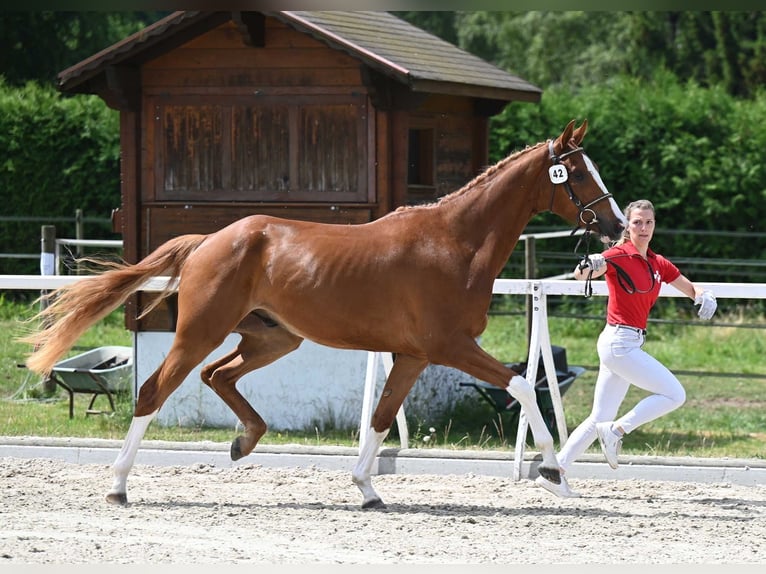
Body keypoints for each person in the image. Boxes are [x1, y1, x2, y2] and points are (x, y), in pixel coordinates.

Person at [535, 199, 718, 498]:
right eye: (637, 223)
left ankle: (555, 473)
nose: (643, 228)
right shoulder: (619, 254)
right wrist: (589, 264)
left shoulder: (658, 263)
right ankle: (618, 431)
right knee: (674, 394)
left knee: (598, 417)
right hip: (619, 343)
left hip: (623, 343)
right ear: (627, 226)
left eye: (648, 222)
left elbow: (690, 287)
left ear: (654, 225)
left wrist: (704, 295)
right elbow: (582, 273)